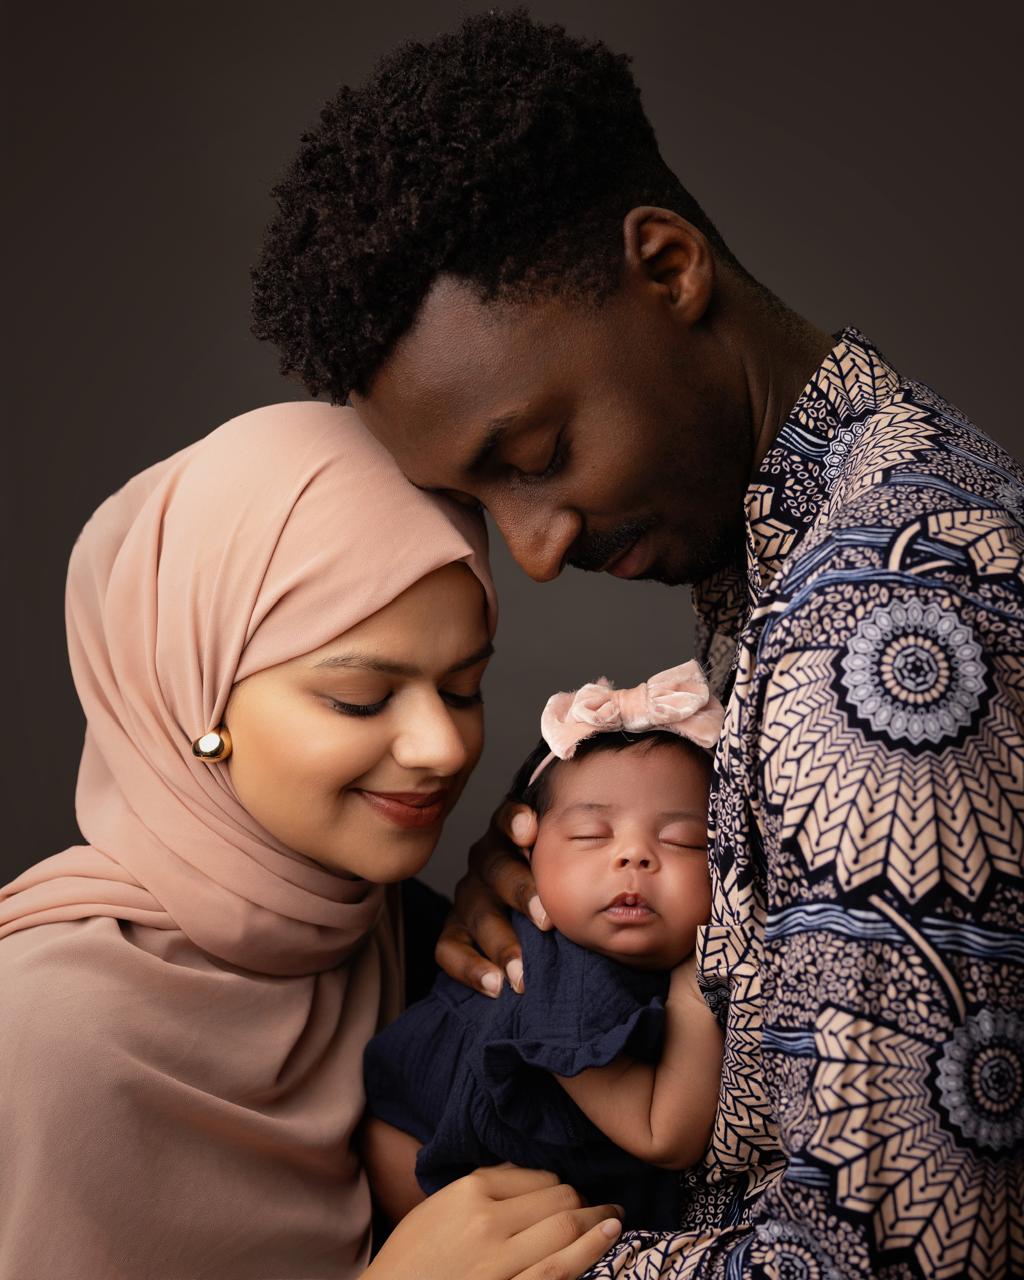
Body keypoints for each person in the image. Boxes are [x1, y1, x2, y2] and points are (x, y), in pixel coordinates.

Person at [250, 11, 1024, 1278]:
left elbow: (897, 1259)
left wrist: (474, 1268)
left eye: (538, 457)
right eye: (483, 501)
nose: (536, 548)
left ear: (665, 269)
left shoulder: (883, 633)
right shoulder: (796, 561)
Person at [0, 402, 625, 1280]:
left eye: (463, 688)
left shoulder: (397, 938)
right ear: (198, 701)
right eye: (361, 698)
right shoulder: (43, 1030)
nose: (442, 748)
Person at [362, 664, 726, 1232]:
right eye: (590, 836)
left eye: (683, 841)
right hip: (424, 1162)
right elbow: (665, 1137)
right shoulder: (564, 979)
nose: (633, 856)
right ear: (522, 850)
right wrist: (693, 993)